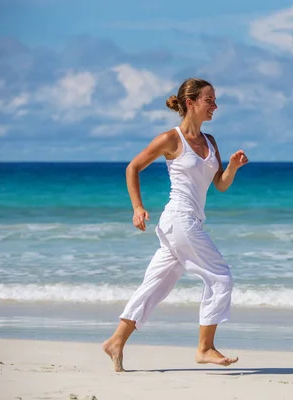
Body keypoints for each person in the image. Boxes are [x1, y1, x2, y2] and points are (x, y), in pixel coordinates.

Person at [102, 78, 248, 372]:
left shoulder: (211, 142)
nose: (215, 106)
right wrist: (138, 207)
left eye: (215, 100)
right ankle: (204, 348)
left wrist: (232, 167)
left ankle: (116, 341)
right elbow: (132, 168)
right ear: (191, 103)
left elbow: (219, 185)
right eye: (210, 100)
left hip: (187, 222)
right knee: (220, 276)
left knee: (155, 286)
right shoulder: (171, 139)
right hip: (179, 219)